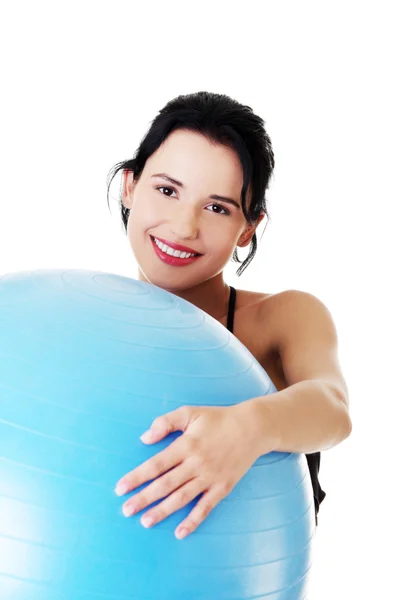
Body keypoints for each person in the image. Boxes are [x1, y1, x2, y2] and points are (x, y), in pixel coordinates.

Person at [106, 91, 352, 540]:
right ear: (129, 186)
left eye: (217, 207)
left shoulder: (282, 317)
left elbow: (333, 409)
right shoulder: (85, 321)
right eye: (167, 190)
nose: (184, 227)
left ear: (249, 228)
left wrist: (248, 427)